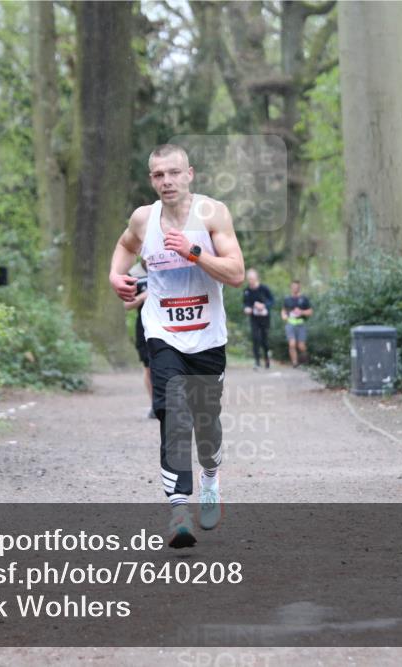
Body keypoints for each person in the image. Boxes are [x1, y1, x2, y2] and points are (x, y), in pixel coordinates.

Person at [109, 143, 245, 549]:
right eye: (158, 175)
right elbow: (125, 248)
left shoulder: (213, 214)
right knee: (172, 411)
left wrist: (194, 251)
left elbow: (236, 273)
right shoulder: (143, 218)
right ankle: (178, 512)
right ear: (151, 179)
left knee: (207, 424)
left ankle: (210, 478)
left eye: (173, 172)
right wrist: (116, 277)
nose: (166, 181)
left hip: (207, 337)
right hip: (162, 332)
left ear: (190, 174)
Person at [122, 260, 154, 418]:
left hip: (168, 322)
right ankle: (156, 405)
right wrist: (143, 296)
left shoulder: (168, 263)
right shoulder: (133, 274)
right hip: (144, 324)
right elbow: (127, 305)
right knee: (149, 367)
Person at [242, 268, 274, 370]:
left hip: (264, 318)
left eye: (252, 278)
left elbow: (272, 301)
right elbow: (245, 303)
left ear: (256, 278)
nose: (250, 280)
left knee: (264, 340)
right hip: (254, 318)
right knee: (255, 338)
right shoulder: (247, 291)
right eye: (249, 278)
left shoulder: (264, 288)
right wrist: (246, 309)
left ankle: (267, 360)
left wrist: (264, 306)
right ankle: (257, 362)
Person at [281, 280, 313, 367]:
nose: (295, 288)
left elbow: (310, 312)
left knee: (301, 346)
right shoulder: (287, 299)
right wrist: (283, 316)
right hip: (290, 324)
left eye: (297, 286)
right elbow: (283, 310)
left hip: (300, 324)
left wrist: (301, 312)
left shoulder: (304, 299)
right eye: (293, 286)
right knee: (292, 344)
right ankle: (295, 363)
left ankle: (305, 360)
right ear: (291, 287)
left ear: (299, 287)